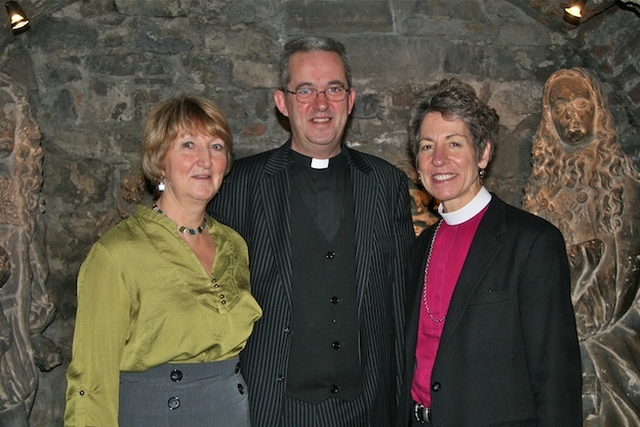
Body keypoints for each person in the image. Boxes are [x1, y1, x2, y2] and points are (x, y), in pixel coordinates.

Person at [207, 35, 415, 426]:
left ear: (350, 100)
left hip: (367, 410)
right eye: (305, 90)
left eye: (333, 89)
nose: (321, 104)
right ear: (282, 103)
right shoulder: (240, 184)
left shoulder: (386, 184)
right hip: (275, 408)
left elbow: (400, 303)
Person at [64, 96, 262, 427]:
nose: (205, 160)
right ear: (160, 162)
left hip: (230, 412)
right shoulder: (117, 254)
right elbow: (90, 381)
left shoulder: (234, 245)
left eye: (216, 146)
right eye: (188, 145)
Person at [397, 78, 582, 426]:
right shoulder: (418, 249)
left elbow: (557, 379)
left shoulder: (532, 243)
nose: (439, 159)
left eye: (454, 143)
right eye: (426, 146)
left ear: (483, 153)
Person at [523, 67, 640, 426]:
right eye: (559, 105)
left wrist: (579, 316)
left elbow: (625, 266)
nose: (570, 113)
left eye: (580, 101)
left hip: (608, 330)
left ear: (597, 107)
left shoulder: (622, 178)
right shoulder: (541, 183)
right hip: (555, 331)